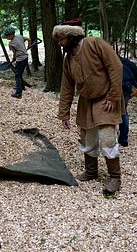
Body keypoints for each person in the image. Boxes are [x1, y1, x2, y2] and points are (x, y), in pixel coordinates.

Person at [53, 24, 125, 194]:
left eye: (61, 39)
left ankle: (115, 177)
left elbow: (116, 67)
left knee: (107, 138)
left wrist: (113, 96)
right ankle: (91, 171)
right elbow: (67, 86)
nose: (60, 44)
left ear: (71, 37)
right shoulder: (68, 59)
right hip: (86, 102)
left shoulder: (95, 44)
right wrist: (64, 113)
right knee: (88, 139)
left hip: (106, 99)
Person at [118, 56, 137, 147]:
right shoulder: (130, 64)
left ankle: (121, 138)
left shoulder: (111, 62)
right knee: (123, 111)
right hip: (126, 88)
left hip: (120, 88)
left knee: (120, 111)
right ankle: (123, 138)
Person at [2, 26, 31, 99]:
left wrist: (13, 59)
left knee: (17, 75)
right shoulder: (20, 37)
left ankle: (18, 93)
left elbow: (15, 54)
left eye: (7, 36)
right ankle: (22, 87)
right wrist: (29, 46)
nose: (7, 38)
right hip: (25, 58)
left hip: (20, 60)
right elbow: (28, 39)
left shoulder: (11, 44)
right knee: (19, 73)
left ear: (11, 35)